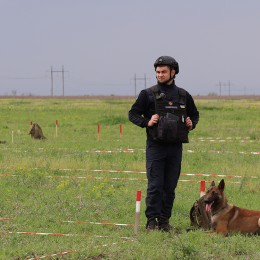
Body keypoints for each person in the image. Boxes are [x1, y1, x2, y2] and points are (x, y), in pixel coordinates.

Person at [128, 56, 199, 232]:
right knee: (155, 186)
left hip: (175, 148)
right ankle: (151, 222)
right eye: (158, 72)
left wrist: (191, 123)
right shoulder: (148, 94)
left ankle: (164, 222)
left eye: (163, 71)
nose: (160, 75)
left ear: (173, 72)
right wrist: (147, 122)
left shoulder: (183, 95)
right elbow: (133, 114)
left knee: (170, 187)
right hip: (156, 148)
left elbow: (195, 114)